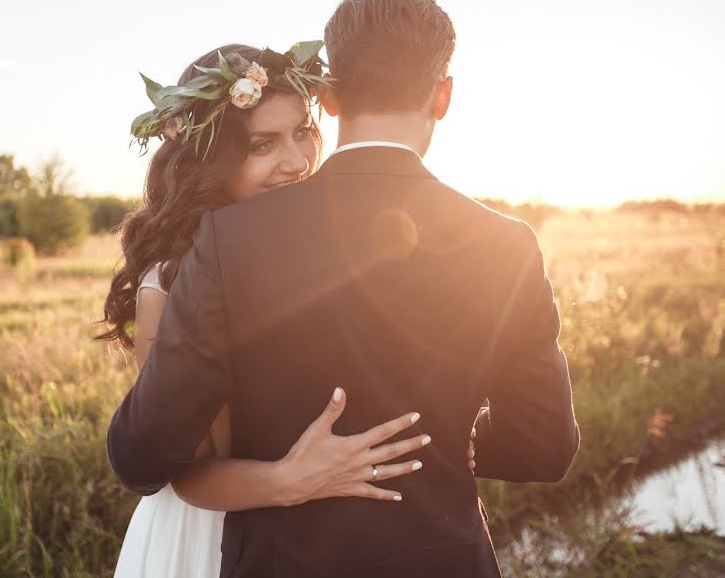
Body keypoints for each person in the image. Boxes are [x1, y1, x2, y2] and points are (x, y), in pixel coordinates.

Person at [109, 0, 580, 575]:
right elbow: (544, 444)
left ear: (327, 98)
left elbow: (142, 456)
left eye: (297, 132)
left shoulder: (231, 241)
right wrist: (451, 436)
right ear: (443, 96)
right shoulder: (507, 243)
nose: (290, 156)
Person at [97, 42, 476, 577]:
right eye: (262, 145)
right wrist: (291, 481)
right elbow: (180, 471)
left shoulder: (317, 246)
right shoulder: (173, 282)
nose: (296, 162)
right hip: (216, 536)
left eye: (302, 132)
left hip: (326, 529)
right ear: (211, 159)